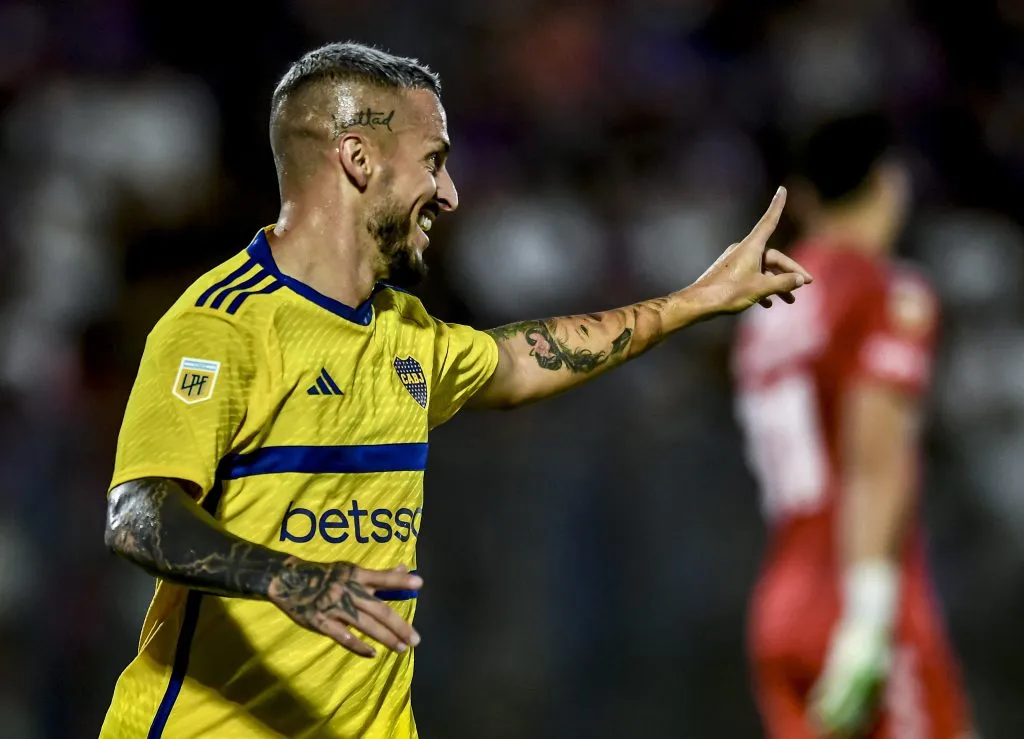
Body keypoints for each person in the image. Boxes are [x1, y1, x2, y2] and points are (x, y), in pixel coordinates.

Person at [100, 41, 810, 739]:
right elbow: (138, 512)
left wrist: (697, 298)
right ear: (357, 159)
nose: (450, 193)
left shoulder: (406, 333)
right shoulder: (223, 325)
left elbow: (528, 357)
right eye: (433, 162)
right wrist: (285, 575)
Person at [731, 112, 975, 739]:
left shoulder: (768, 305)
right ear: (891, 183)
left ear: (805, 196)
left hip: (781, 603)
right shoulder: (882, 289)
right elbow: (876, 457)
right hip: (857, 597)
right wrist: (869, 613)